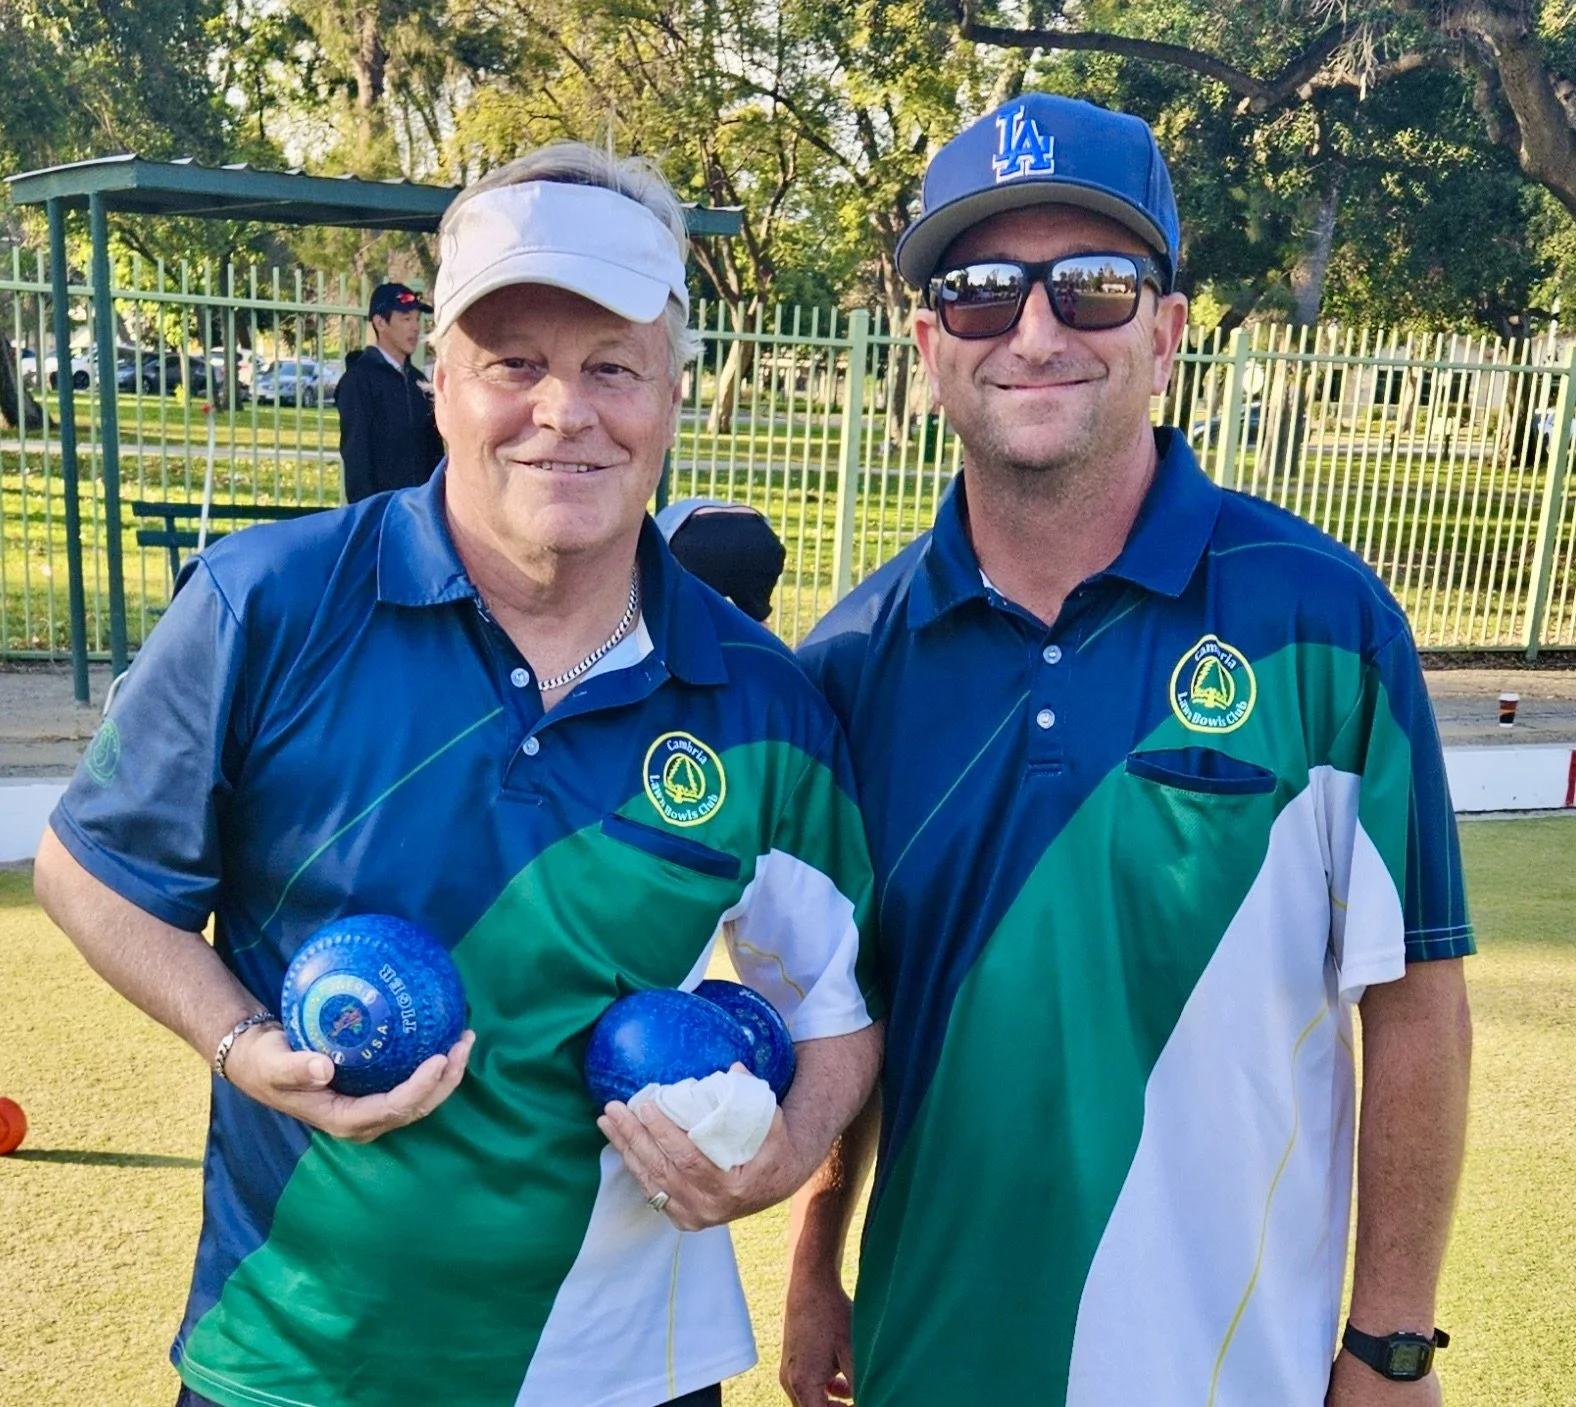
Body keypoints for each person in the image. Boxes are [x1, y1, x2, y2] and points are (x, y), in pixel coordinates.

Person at [34, 141, 882, 1407]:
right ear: (440, 381)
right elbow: (89, 873)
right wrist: (242, 1041)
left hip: (619, 1376)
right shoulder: (264, 607)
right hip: (295, 1362)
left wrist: (782, 1159)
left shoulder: (759, 699)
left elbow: (831, 1012)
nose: (563, 412)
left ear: (673, 393)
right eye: (515, 365)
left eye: (611, 367)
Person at [783, 93, 1473, 1407]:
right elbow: (851, 1003)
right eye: (983, 292)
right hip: (935, 1356)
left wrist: (1391, 1337)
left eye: (1093, 287)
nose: (1035, 331)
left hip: (1233, 1367)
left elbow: (1416, 993)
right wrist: (820, 1252)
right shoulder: (847, 662)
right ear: (928, 343)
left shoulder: (1324, 622)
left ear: (1165, 330)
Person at [336, 280, 446, 502]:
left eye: (417, 319)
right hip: (382, 514)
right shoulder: (359, 381)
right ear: (380, 323)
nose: (415, 327)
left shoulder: (419, 382)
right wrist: (368, 518)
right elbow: (357, 455)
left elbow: (434, 453)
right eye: (405, 319)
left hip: (421, 512)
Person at [656, 497, 787, 623]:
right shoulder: (672, 515)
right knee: (755, 621)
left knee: (686, 616)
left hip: (696, 539)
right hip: (760, 538)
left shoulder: (657, 528)